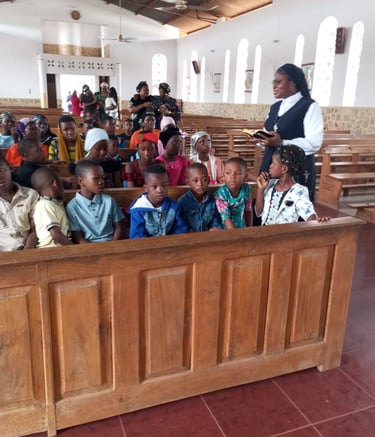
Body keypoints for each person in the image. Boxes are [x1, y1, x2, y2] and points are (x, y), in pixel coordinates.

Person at [257, 63, 323, 202]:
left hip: (295, 170)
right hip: (271, 165)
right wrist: (261, 140)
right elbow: (268, 133)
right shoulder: (275, 107)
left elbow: (314, 143)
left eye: (278, 81)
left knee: (291, 211)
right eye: (273, 82)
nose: (274, 86)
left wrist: (282, 142)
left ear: (293, 82)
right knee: (266, 206)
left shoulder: (309, 106)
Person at [255, 145, 321, 225]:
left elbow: (310, 215)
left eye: (273, 163)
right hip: (265, 233)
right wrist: (261, 189)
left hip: (284, 235)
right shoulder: (270, 184)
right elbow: (258, 212)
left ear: (284, 169)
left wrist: (317, 223)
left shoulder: (298, 192)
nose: (270, 166)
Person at [66, 160, 124, 244]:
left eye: (103, 178)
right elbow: (78, 237)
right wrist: (94, 250)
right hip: (88, 247)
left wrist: (113, 246)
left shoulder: (109, 201)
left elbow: (119, 227)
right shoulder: (72, 207)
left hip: (111, 243)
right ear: (81, 181)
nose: (101, 182)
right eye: (96, 178)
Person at [129, 164, 187, 239]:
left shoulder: (173, 207)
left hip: (170, 244)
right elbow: (136, 236)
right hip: (146, 246)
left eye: (164, 186)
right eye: (154, 187)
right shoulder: (138, 209)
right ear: (146, 188)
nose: (160, 190)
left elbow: (180, 229)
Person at [0, 157, 38, 251]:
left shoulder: (30, 195)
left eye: (1, 170)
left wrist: (25, 253)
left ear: (11, 168)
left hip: (27, 249)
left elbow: (35, 229)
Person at [31, 167, 72, 247]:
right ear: (55, 184)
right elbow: (56, 235)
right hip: (51, 249)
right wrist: (76, 249)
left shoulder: (54, 203)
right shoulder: (45, 205)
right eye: (61, 183)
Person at [178, 163, 222, 232]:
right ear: (188, 182)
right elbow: (181, 223)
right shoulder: (182, 202)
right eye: (196, 181)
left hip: (209, 236)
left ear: (208, 180)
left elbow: (216, 220)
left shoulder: (212, 201)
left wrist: (214, 228)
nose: (200, 184)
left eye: (204, 180)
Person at [214, 157, 252, 229]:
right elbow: (226, 218)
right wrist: (236, 236)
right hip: (226, 229)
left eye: (237, 173)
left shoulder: (246, 188)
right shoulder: (221, 194)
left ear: (245, 177)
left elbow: (248, 211)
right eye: (228, 173)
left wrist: (249, 229)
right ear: (224, 175)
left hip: (241, 226)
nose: (232, 177)